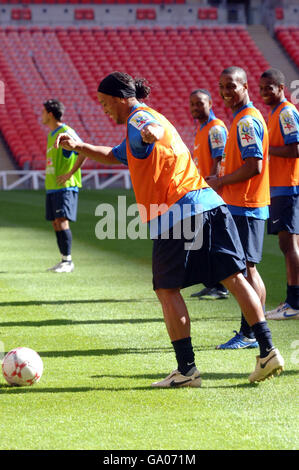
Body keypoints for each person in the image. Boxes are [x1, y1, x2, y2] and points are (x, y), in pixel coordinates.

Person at [55, 71, 284, 386]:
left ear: (121, 98)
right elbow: (114, 154)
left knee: (166, 289)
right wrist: (79, 144)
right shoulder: (141, 124)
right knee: (234, 276)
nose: (103, 109)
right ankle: (268, 349)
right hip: (210, 204)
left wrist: (151, 131)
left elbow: (150, 128)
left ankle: (186, 370)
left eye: (105, 102)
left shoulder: (140, 120)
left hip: (176, 214)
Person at [207, 66, 270, 350]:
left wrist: (220, 181)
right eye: (222, 86)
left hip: (245, 205)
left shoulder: (246, 121)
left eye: (231, 85)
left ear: (245, 86)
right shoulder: (241, 119)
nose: (225, 91)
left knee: (247, 270)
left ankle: (250, 333)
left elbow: (254, 166)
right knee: (246, 269)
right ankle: (252, 331)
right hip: (244, 204)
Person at [259, 68, 299, 320]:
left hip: (288, 186)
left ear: (281, 88)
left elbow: (295, 149)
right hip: (279, 187)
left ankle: (294, 302)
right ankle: (292, 301)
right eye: (261, 88)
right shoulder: (275, 113)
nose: (264, 92)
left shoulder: (286, 112)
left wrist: (266, 148)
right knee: (288, 244)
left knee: (289, 243)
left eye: (269, 88)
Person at [189, 88, 229, 300]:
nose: (195, 107)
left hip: (213, 194)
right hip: (203, 192)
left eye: (200, 103)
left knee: (213, 240)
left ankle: (221, 287)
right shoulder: (203, 129)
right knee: (204, 240)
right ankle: (213, 283)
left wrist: (211, 187)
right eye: (192, 104)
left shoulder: (215, 129)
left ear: (211, 104)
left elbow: (220, 159)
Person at [42, 99, 85, 273]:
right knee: (56, 223)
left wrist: (70, 173)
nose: (42, 115)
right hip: (52, 186)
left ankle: (68, 262)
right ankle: (63, 260)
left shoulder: (66, 132)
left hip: (65, 186)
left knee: (62, 221)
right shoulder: (52, 134)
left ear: (50, 114)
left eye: (43, 112)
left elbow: (83, 151)